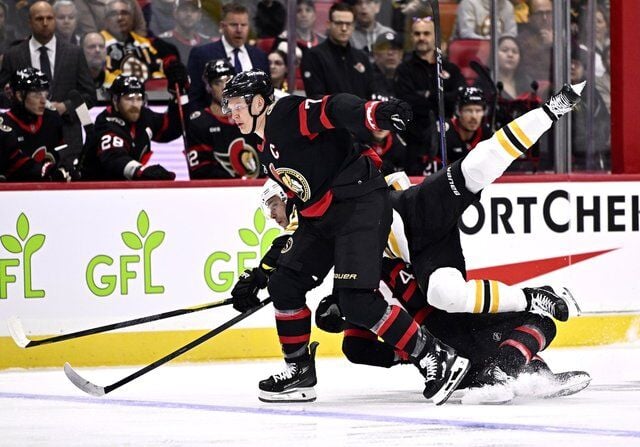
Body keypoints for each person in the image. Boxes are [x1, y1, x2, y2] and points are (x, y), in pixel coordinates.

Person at [254, 81, 586, 399]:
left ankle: (532, 300)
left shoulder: (401, 201)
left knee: (449, 286)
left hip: (421, 228)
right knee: (431, 308)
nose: (275, 215)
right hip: (420, 287)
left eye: (275, 204)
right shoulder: (317, 222)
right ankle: (511, 364)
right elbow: (313, 271)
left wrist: (550, 110)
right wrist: (333, 305)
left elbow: (492, 153)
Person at [223, 69, 471, 406]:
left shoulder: (285, 113)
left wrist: (375, 114)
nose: (231, 113)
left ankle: (435, 357)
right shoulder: (263, 144)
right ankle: (299, 372)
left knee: (357, 301)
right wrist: (262, 274)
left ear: (258, 102)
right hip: (322, 217)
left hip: (360, 204)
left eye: (236, 105)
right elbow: (298, 214)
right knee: (285, 284)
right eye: (229, 106)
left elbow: (334, 108)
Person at [0, 1, 96, 171]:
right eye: (39, 18)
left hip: (67, 139)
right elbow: (2, 93)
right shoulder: (13, 54)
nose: (45, 23)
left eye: (49, 18)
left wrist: (65, 107)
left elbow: (89, 96)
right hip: (25, 139)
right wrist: (10, 95)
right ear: (29, 22)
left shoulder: (74, 53)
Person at [80, 72, 186, 180]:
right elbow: (114, 158)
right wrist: (141, 171)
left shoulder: (144, 116)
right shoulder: (107, 123)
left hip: (124, 189)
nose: (135, 105)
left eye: (139, 98)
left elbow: (171, 128)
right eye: (129, 98)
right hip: (96, 189)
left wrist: (180, 95)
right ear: (115, 101)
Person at [394, 15, 465, 175]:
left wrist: (427, 96)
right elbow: (407, 102)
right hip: (415, 142)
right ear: (412, 37)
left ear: (435, 36)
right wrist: (439, 97)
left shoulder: (450, 69)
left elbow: (458, 97)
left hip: (449, 140)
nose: (421, 38)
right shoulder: (404, 70)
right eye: (417, 34)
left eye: (426, 33)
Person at [185, 58, 261, 179]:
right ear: (208, 87)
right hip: (218, 193)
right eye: (217, 82)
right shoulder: (199, 122)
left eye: (228, 80)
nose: (224, 87)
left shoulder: (252, 117)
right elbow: (200, 171)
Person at [187, 2, 269, 107]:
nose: (239, 30)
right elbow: (195, 97)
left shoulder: (260, 56)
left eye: (243, 25)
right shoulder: (202, 54)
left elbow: (266, 94)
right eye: (234, 25)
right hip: (215, 120)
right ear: (222, 26)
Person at [0, 68, 70, 178]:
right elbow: (14, 164)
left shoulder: (51, 118)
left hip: (48, 190)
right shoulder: (4, 126)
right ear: (19, 96)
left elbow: (61, 152)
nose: (43, 100)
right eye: (37, 94)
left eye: (45, 94)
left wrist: (66, 168)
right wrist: (46, 170)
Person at [301, 2, 374, 100]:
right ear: (328, 24)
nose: (344, 28)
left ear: (353, 26)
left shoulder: (362, 58)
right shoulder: (313, 56)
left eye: (348, 24)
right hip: (327, 115)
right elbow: (315, 97)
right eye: (339, 23)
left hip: (361, 114)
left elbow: (371, 94)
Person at [100, 0, 179, 87]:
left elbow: (158, 71)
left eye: (125, 13)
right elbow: (98, 74)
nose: (120, 18)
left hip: (150, 96)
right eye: (113, 14)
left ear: (132, 18)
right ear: (105, 19)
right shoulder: (97, 44)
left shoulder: (144, 43)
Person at [425, 86, 493, 169]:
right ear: (458, 111)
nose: (474, 116)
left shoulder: (487, 134)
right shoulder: (441, 132)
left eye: (478, 111)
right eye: (468, 110)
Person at [158, 0, 210, 65]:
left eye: (193, 10)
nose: (189, 14)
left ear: (199, 15)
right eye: (184, 10)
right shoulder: (162, 42)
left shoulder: (207, 44)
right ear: (175, 13)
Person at [517, 0, 553, 86]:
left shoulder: (563, 37)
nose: (544, 18)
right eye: (539, 14)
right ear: (529, 17)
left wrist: (553, 45)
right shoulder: (521, 40)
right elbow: (524, 71)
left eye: (548, 13)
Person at [74, 0, 146, 37]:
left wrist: (136, 45)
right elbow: (90, 33)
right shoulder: (82, 2)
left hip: (134, 47)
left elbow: (140, 26)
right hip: (104, 50)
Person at [452, 0, 517, 40]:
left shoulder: (508, 6)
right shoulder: (468, 3)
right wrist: (489, 41)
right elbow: (466, 34)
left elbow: (511, 35)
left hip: (499, 55)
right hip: (470, 52)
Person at [370, 32, 403, 98]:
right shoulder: (367, 78)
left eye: (395, 49)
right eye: (384, 48)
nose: (390, 53)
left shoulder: (408, 79)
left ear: (401, 54)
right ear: (375, 54)